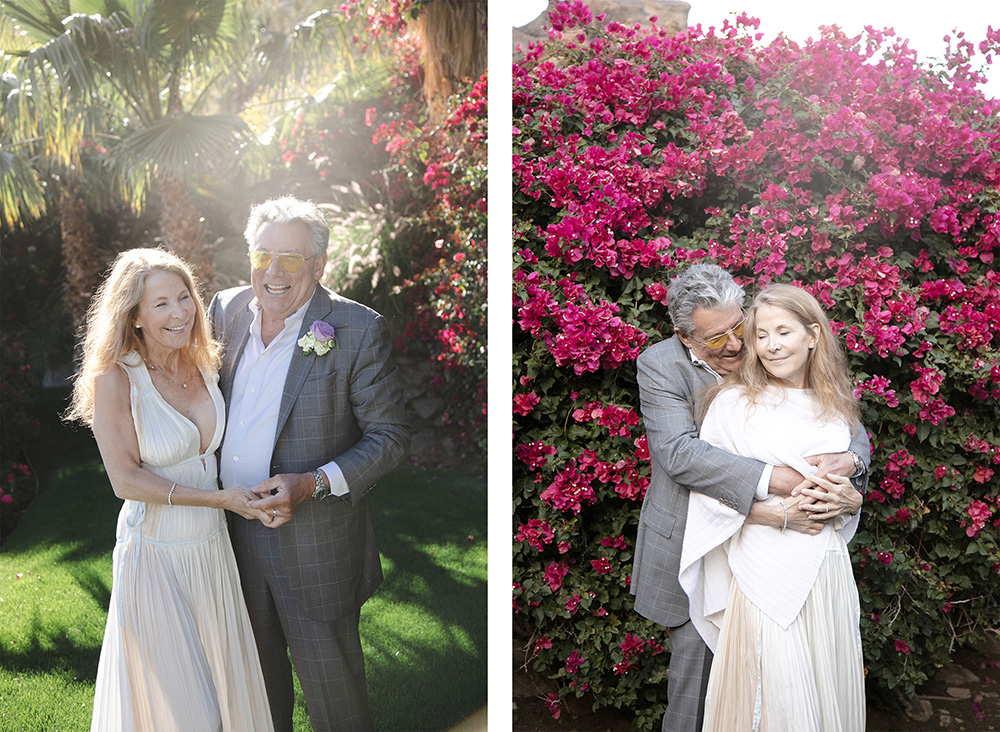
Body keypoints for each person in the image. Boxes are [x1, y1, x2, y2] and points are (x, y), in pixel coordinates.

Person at [630, 264, 869, 732]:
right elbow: (679, 454)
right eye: (716, 339)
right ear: (685, 336)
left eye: (739, 328)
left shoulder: (768, 346)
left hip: (788, 553)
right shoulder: (660, 365)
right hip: (698, 542)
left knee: (788, 686)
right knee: (697, 686)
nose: (736, 346)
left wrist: (852, 462)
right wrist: (781, 484)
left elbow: (835, 416)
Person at [209, 195, 411, 732]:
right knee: (256, 698)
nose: (273, 272)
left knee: (335, 703)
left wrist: (314, 483)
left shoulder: (356, 328)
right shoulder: (225, 311)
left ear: (318, 265)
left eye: (291, 259)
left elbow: (391, 436)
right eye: (262, 255)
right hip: (229, 534)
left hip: (314, 543)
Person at [65, 248, 275, 731]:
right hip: (155, 556)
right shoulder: (116, 378)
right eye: (160, 304)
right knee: (190, 713)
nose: (179, 312)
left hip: (211, 550)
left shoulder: (203, 361)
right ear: (134, 316)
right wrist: (219, 500)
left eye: (183, 298)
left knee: (226, 695)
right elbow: (125, 480)